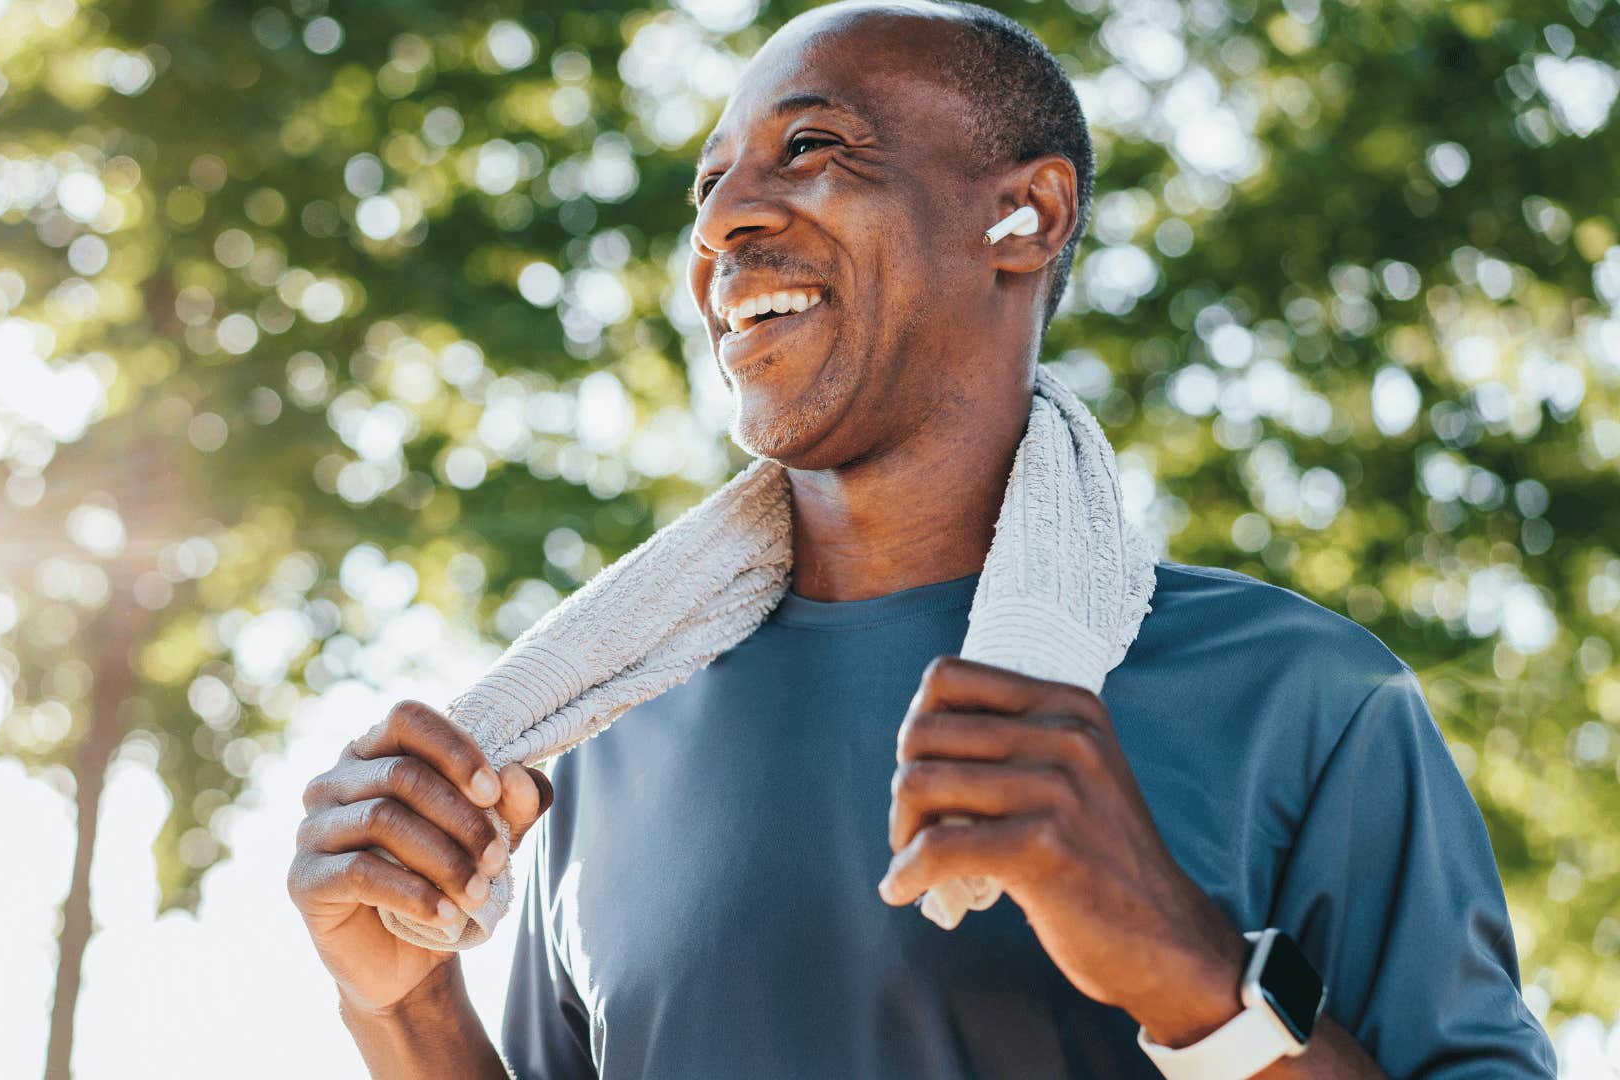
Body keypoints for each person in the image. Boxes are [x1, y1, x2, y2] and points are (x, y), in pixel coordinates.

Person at [288, 1, 1558, 1076]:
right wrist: (404, 1009)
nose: (723, 220)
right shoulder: (602, 734)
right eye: (710, 181)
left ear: (1025, 219)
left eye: (814, 147)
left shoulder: (1307, 701)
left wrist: (1202, 984)